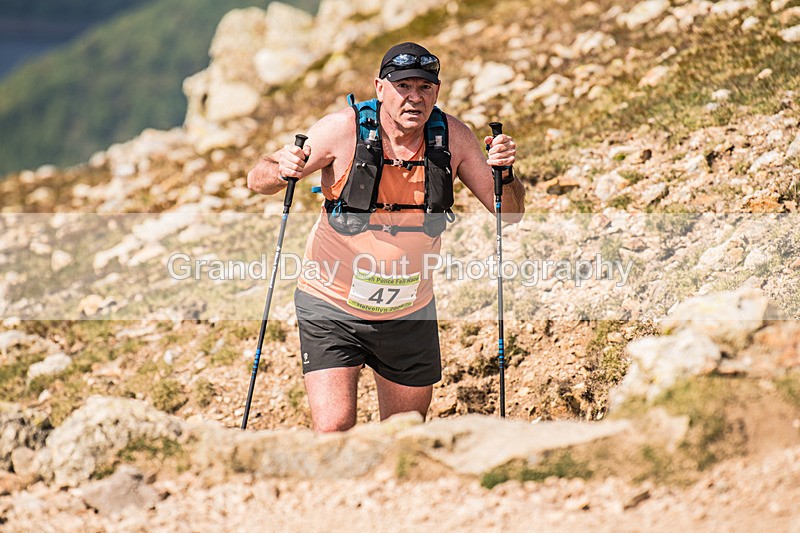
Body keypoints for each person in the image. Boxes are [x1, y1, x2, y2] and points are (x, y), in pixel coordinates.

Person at [247, 42, 525, 432]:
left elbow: (509, 213)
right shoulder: (342, 130)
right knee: (334, 428)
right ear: (380, 88)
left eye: (425, 87)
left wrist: (505, 174)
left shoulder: (454, 138)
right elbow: (257, 178)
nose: (415, 97)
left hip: (409, 310)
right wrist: (281, 169)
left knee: (404, 432)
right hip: (331, 303)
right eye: (403, 86)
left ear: (437, 92)